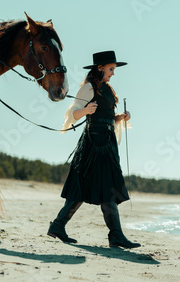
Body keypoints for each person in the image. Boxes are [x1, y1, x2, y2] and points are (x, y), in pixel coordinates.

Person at [47, 51, 140, 248]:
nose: (113, 73)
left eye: (113, 70)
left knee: (96, 188)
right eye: (111, 69)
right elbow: (73, 112)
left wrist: (120, 117)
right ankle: (115, 235)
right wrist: (85, 111)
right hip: (93, 145)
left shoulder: (106, 88)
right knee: (92, 188)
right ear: (100, 68)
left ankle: (58, 225)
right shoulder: (88, 87)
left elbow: (106, 116)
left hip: (107, 143)